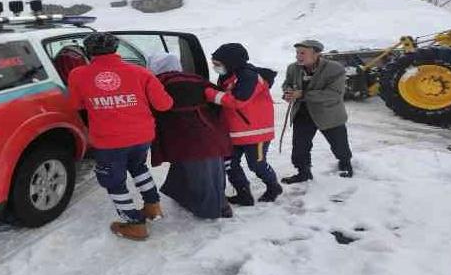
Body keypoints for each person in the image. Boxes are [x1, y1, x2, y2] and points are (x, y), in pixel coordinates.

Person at [67, 33, 173, 241]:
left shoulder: (78, 75)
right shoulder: (141, 73)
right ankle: (153, 207)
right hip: (142, 135)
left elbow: (76, 105)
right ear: (116, 50)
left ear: (88, 53)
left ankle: (134, 224)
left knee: (113, 181)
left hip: (109, 140)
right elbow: (165, 105)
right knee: (138, 167)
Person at [147, 53, 233, 219]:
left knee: (198, 172)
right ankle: (221, 204)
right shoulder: (196, 79)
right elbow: (219, 100)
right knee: (212, 169)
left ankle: (209, 210)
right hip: (210, 131)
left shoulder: (158, 84)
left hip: (184, 135)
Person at [204, 43, 283, 206]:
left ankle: (274, 187)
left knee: (257, 164)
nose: (215, 67)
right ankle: (243, 193)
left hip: (255, 132)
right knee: (229, 163)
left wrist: (209, 94)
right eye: (214, 64)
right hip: (234, 131)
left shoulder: (249, 77)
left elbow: (238, 101)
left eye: (218, 64)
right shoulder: (228, 75)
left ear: (230, 61)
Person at [281, 39, 354, 184]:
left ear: (316, 54)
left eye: (302, 53)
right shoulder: (293, 68)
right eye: (297, 53)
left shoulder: (335, 69)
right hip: (302, 112)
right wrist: (288, 92)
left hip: (329, 113)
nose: (298, 56)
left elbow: (334, 93)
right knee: (300, 146)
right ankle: (303, 172)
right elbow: (287, 84)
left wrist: (302, 94)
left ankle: (345, 163)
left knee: (339, 144)